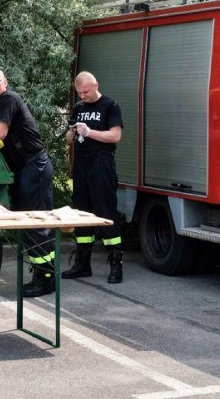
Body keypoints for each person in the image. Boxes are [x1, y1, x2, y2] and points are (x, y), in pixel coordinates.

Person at [0, 66, 56, 297]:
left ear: (5, 82)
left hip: (34, 166)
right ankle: (41, 273)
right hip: (20, 170)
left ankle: (46, 278)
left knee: (36, 223)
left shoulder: (9, 99)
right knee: (26, 222)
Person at [63, 71, 124, 283]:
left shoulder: (110, 105)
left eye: (86, 92)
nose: (83, 96)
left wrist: (89, 133)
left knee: (105, 211)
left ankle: (116, 263)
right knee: (81, 213)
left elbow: (115, 135)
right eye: (79, 93)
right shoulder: (79, 108)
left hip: (102, 164)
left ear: (96, 85)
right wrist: (72, 132)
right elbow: (69, 140)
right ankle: (82, 263)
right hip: (82, 165)